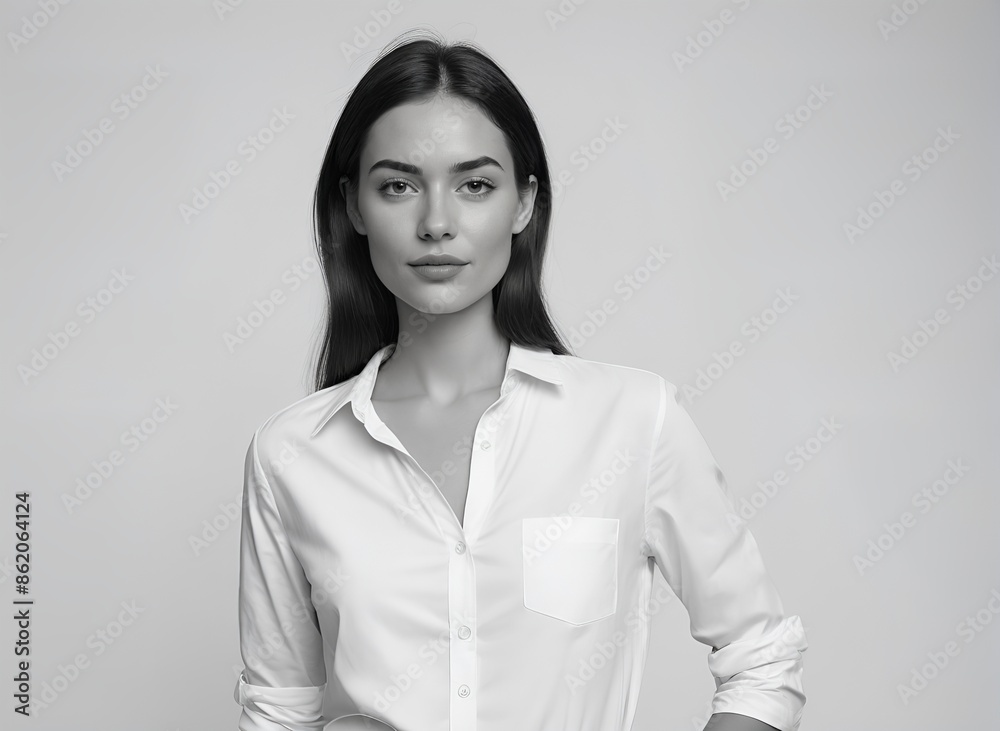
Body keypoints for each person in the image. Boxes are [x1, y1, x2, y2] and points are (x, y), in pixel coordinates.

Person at [233, 30, 807, 731]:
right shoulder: (291, 453)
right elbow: (279, 705)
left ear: (524, 203)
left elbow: (761, 654)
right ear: (354, 207)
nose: (436, 222)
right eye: (398, 186)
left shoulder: (632, 419)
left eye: (474, 185)